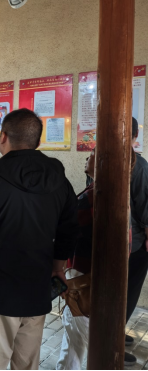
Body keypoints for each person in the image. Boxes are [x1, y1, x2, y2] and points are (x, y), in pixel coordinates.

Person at [0, 108, 78, 370]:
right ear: (38, 141)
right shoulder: (60, 180)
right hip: (37, 288)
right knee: (27, 363)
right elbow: (68, 229)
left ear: (3, 136)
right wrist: (58, 268)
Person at [56, 147, 136, 369]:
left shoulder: (96, 196)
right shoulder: (114, 191)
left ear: (103, 162)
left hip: (85, 280)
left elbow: (66, 232)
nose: (87, 158)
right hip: (94, 278)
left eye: (91, 155)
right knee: (73, 339)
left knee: (85, 340)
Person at [126, 118, 148, 352]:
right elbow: (145, 211)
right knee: (128, 293)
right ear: (135, 136)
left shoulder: (96, 159)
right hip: (134, 245)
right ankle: (112, 342)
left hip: (106, 243)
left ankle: (113, 332)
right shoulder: (139, 166)